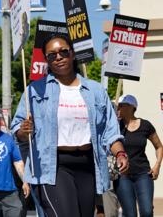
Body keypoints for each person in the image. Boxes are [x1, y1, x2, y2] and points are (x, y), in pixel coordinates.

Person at [11, 33, 129, 217]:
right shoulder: (35, 90)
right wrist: (23, 131)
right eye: (51, 55)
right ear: (47, 60)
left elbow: (110, 131)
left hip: (87, 165)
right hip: (53, 167)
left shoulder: (96, 90)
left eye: (63, 52)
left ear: (72, 54)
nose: (58, 57)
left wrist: (120, 153)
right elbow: (17, 128)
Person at [114, 94, 163, 217]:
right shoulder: (114, 126)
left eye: (121, 106)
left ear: (131, 107)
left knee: (146, 212)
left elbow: (159, 146)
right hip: (122, 175)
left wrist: (157, 166)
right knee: (130, 214)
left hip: (143, 174)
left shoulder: (145, 125)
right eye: (117, 106)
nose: (117, 108)